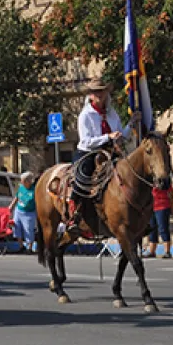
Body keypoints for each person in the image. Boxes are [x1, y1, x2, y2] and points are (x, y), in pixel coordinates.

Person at [68, 77, 141, 235]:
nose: (99, 94)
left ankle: (132, 216)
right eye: (96, 92)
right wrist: (108, 137)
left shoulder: (112, 113)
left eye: (102, 91)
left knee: (129, 174)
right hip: (88, 152)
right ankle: (75, 214)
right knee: (82, 177)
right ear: (91, 95)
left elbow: (121, 136)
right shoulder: (85, 115)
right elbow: (86, 141)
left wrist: (131, 124)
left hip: (110, 151)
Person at [8, 172, 38, 253]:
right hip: (19, 211)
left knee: (28, 230)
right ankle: (21, 246)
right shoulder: (21, 187)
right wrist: (11, 206)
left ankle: (30, 248)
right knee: (16, 228)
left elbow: (37, 202)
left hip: (29, 212)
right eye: (21, 181)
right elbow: (17, 197)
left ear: (29, 181)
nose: (22, 182)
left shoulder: (34, 190)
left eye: (23, 181)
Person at [146, 186, 173, 258]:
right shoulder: (149, 180)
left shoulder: (165, 181)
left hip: (162, 206)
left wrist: (172, 206)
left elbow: (170, 193)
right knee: (151, 229)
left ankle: (167, 251)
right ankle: (152, 251)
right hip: (151, 207)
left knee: (163, 228)